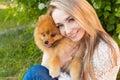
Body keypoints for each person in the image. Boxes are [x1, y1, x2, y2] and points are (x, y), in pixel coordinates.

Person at [23, 0, 120, 80]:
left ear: (85, 14)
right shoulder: (76, 40)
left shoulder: (104, 50)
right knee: (37, 71)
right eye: (60, 25)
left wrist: (57, 65)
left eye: (71, 20)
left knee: (35, 72)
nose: (68, 31)